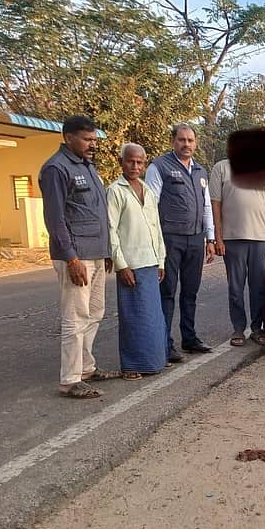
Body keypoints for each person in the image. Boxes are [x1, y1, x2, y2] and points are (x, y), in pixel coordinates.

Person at [38, 115, 119, 398]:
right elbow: (55, 219)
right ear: (68, 137)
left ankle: (86, 368)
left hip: (96, 253)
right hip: (76, 257)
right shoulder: (56, 169)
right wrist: (71, 258)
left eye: (94, 140)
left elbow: (96, 212)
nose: (92, 145)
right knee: (75, 317)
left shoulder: (88, 166)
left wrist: (106, 251)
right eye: (87, 139)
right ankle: (70, 380)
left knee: (95, 313)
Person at [145, 124, 215, 363]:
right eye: (182, 140)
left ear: (195, 143)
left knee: (190, 292)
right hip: (169, 239)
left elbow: (206, 206)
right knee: (167, 292)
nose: (186, 144)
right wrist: (155, 242)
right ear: (173, 141)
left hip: (195, 239)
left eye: (190, 140)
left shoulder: (200, 171)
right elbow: (150, 206)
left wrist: (210, 238)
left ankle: (189, 338)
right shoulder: (159, 167)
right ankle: (164, 344)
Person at [107, 143, 168, 380]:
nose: (135, 166)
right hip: (131, 264)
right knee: (133, 317)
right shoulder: (115, 191)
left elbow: (156, 227)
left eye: (140, 162)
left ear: (144, 164)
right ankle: (131, 365)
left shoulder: (147, 190)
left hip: (150, 262)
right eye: (130, 161)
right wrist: (121, 265)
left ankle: (154, 361)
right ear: (121, 163)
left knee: (152, 317)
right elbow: (111, 230)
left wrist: (160, 260)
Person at [210, 158, 265, 347]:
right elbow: (215, 206)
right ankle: (238, 328)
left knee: (259, 287)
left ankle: (257, 328)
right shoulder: (221, 168)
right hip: (232, 240)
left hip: (259, 239)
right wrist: (218, 238)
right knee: (235, 288)